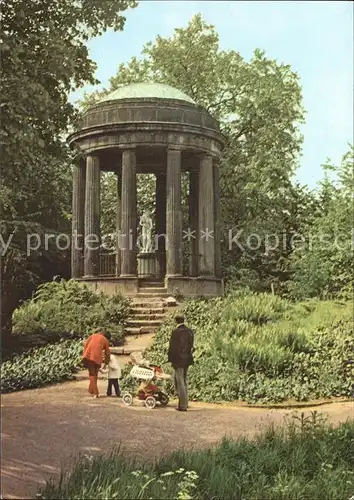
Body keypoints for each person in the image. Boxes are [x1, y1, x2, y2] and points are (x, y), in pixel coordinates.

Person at [167, 315, 194, 412]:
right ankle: (185, 402)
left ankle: (182, 405)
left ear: (176, 321)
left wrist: (171, 360)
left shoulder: (175, 332)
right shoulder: (189, 331)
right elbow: (191, 345)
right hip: (187, 359)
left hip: (178, 360)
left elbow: (173, 348)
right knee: (184, 380)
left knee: (180, 382)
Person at [82, 328, 111, 398]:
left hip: (88, 357)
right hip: (97, 359)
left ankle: (93, 391)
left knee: (92, 374)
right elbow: (108, 353)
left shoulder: (92, 336)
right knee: (94, 374)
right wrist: (106, 363)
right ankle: (93, 391)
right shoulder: (105, 340)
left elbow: (85, 345)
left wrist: (84, 355)